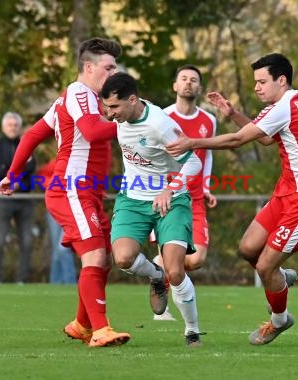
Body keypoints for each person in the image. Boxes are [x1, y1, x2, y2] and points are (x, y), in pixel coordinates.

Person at [167, 53, 298, 345]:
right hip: (288, 190)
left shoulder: (284, 106)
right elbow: (267, 138)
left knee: (264, 267)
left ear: (281, 80)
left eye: (261, 81)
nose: (256, 88)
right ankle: (280, 279)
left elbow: (237, 140)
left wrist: (192, 142)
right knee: (248, 248)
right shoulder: (296, 100)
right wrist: (232, 113)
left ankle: (279, 320)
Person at [0, 37, 130, 347]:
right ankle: (100, 330)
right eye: (108, 67)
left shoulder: (73, 100)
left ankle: (83, 325)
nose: (113, 74)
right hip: (71, 189)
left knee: (103, 259)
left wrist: (12, 175)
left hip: (88, 193)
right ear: (88, 67)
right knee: (95, 255)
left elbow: (32, 134)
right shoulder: (79, 93)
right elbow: (93, 131)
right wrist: (134, 120)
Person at [100, 72, 206, 347]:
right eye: (107, 108)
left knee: (176, 270)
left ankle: (192, 330)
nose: (110, 115)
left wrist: (170, 188)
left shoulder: (159, 125)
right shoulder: (122, 117)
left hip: (171, 201)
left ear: (132, 100)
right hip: (132, 199)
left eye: (114, 108)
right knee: (122, 258)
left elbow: (193, 163)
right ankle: (154, 276)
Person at [153, 64, 219, 321]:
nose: (188, 83)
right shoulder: (162, 116)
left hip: (196, 199)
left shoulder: (209, 120)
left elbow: (207, 154)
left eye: (193, 80)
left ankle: (159, 270)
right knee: (175, 257)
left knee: (196, 259)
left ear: (199, 87)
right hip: (168, 197)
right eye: (184, 79)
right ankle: (163, 307)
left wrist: (206, 186)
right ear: (175, 86)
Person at [0, 112, 36, 284]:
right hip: (3, 201)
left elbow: (31, 166)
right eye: (9, 125)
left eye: (15, 125)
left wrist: (15, 183)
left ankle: (22, 280)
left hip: (24, 200)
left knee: (27, 241)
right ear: (4, 127)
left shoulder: (26, 144)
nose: (13, 128)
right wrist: (13, 178)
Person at [37, 159, 77, 284]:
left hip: (73, 210)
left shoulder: (81, 162)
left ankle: (70, 282)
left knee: (63, 249)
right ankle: (55, 284)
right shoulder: (59, 161)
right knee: (56, 250)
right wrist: (51, 184)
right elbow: (41, 174)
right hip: (54, 209)